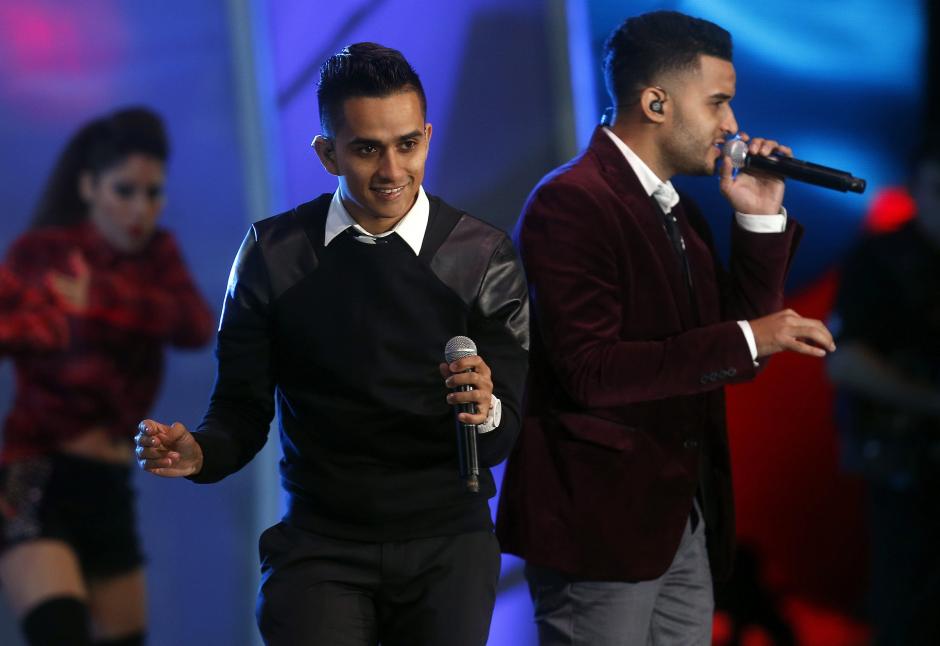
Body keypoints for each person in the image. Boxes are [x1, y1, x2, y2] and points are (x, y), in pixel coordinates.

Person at [134, 43, 528, 646]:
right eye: (367, 148)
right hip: (320, 546)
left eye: (407, 144)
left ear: (426, 137)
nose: (392, 170)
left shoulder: (484, 256)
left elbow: (506, 429)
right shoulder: (273, 253)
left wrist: (487, 410)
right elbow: (240, 408)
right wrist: (202, 453)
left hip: (448, 545)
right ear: (326, 153)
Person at [495, 10, 835, 645]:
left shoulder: (677, 210)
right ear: (656, 103)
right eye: (718, 103)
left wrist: (760, 218)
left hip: (681, 517)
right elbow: (591, 370)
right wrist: (750, 338)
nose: (732, 125)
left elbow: (737, 345)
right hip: (601, 528)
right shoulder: (573, 201)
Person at [0, 106, 215, 646]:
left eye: (153, 193)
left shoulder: (158, 257)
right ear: (89, 187)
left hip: (110, 483)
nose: (141, 209)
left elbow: (194, 326)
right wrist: (44, 324)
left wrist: (97, 300)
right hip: (36, 474)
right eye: (124, 190)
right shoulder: (44, 254)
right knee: (59, 631)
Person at [827, 141, 940, 645]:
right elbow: (844, 360)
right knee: (908, 610)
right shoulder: (880, 259)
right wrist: (928, 399)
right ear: (915, 191)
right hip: (904, 467)